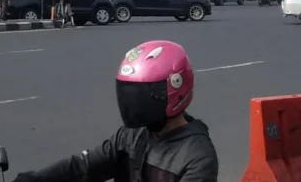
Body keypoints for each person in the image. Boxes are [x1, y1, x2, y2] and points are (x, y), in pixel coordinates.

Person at [12, 40, 218, 182]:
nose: (133, 104)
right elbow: (83, 167)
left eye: (140, 95)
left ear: (174, 90)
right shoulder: (133, 135)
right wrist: (36, 178)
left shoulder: (197, 156)